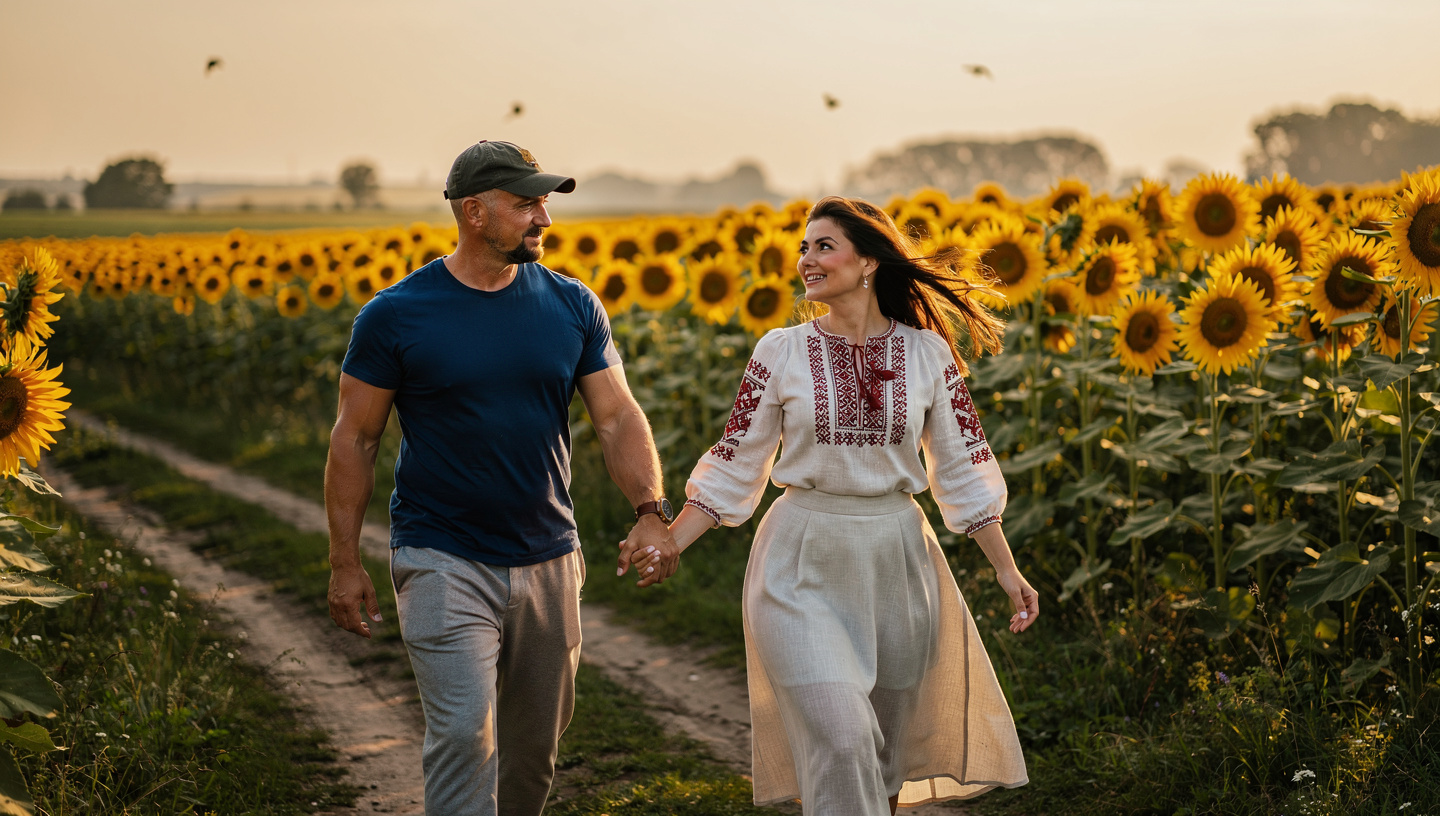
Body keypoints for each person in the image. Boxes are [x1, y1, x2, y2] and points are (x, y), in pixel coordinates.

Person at [647, 196, 1037, 815]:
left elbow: (964, 469)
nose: (806, 259)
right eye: (804, 246)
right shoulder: (780, 352)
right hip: (800, 559)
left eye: (823, 245)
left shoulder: (928, 356)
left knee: (880, 762)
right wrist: (670, 538)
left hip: (899, 563)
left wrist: (1006, 569)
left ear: (870, 260)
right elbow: (735, 461)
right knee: (842, 736)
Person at [325, 140, 680, 816]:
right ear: (474, 213)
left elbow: (616, 416)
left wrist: (649, 507)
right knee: (463, 735)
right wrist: (344, 560)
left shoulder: (572, 306)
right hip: (441, 555)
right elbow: (356, 439)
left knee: (532, 758)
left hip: (549, 557)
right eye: (526, 203)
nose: (544, 217)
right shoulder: (395, 315)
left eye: (544, 201)